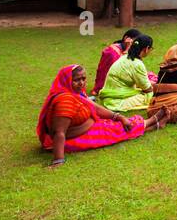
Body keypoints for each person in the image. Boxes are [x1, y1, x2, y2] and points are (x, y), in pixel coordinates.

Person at [37, 64, 168, 167]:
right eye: (77, 80)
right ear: (67, 80)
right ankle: (152, 121)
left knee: (120, 125)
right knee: (118, 129)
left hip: (88, 128)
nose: (81, 83)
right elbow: (59, 133)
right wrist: (58, 160)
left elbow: (95, 108)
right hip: (72, 141)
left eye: (83, 79)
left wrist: (119, 117)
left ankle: (155, 125)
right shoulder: (65, 100)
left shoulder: (75, 93)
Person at [97, 34, 157, 113]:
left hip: (109, 94)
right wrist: (155, 88)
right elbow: (147, 89)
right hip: (115, 101)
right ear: (146, 49)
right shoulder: (137, 64)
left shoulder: (125, 57)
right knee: (148, 96)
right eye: (151, 49)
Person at [94, 29, 144, 94]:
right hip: (108, 85)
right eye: (135, 42)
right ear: (126, 38)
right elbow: (121, 70)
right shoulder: (112, 51)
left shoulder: (127, 49)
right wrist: (128, 48)